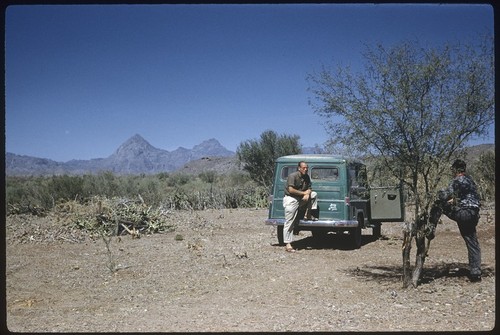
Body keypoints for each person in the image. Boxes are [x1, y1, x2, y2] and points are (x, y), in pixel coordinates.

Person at [439, 159, 482, 282]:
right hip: (474, 213)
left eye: (453, 169)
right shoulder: (470, 180)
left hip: (463, 214)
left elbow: (446, 195)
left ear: (456, 169)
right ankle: (475, 273)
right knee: (472, 241)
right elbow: (467, 197)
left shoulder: (456, 181)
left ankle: (429, 227)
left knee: (440, 203)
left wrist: (439, 195)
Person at [282, 161, 318, 252]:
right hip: (292, 198)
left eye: (306, 168)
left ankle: (308, 214)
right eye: (303, 168)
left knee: (313, 194)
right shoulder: (292, 176)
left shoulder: (306, 177)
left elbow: (310, 188)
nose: (305, 169)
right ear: (299, 168)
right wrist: (303, 193)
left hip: (301, 198)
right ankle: (288, 243)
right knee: (289, 221)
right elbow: (291, 190)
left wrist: (307, 194)